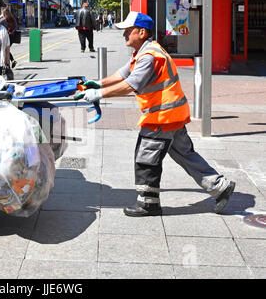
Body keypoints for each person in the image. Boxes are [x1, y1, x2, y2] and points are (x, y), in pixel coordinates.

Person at [78, 12, 236, 217]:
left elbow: (130, 85)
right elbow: (122, 74)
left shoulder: (149, 56)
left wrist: (98, 94)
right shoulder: (145, 52)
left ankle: (148, 203)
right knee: (185, 154)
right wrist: (98, 83)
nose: (124, 34)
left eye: (128, 30)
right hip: (173, 115)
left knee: (146, 158)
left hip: (161, 117)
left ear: (142, 32)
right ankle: (220, 186)